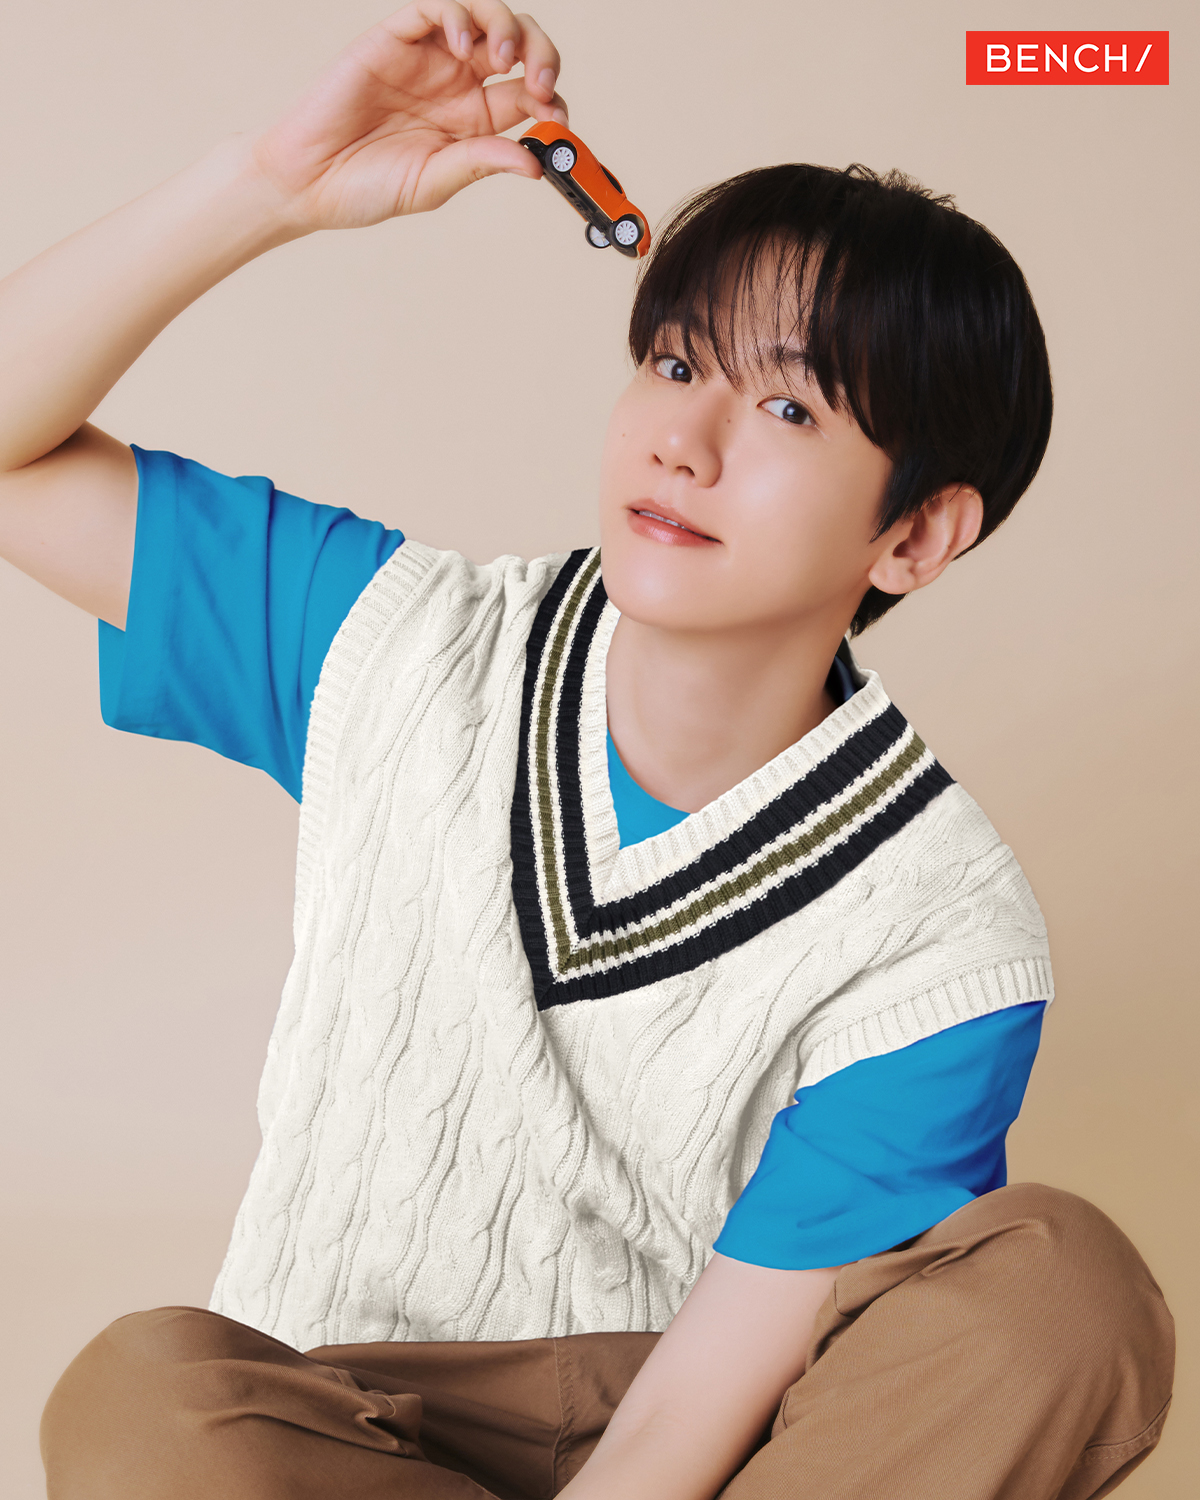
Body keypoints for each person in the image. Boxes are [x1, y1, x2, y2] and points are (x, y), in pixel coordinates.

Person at [0, 4, 1173, 1498]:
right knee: (142, 1395)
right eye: (676, 365)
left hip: (719, 1434)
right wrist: (272, 183)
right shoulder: (395, 641)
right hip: (336, 1417)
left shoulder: (946, 934)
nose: (686, 441)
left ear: (917, 534)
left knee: (1064, 1289)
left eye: (789, 404)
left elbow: (697, 1405)